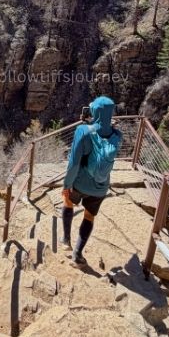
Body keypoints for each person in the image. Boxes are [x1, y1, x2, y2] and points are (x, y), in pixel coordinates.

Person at [61, 96, 122, 267]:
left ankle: (66, 240)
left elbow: (73, 163)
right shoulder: (118, 135)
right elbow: (108, 133)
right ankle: (78, 255)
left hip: (79, 183)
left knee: (67, 201)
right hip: (100, 187)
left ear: (94, 111)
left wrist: (67, 185)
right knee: (89, 216)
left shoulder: (83, 131)